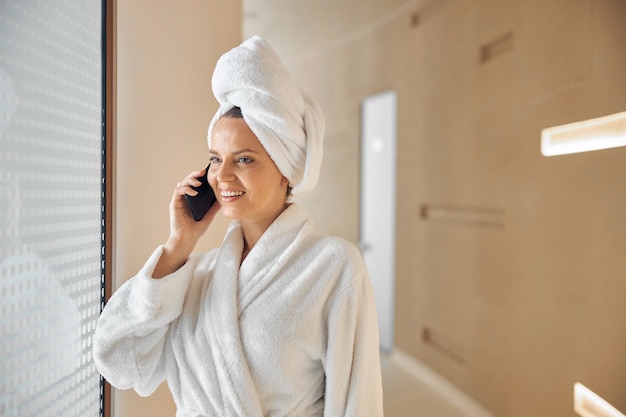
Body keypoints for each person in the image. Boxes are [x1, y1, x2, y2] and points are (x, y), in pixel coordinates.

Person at [93, 36, 383, 417]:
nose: (223, 175)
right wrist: (178, 244)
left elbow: (357, 403)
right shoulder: (194, 277)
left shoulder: (334, 267)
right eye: (215, 158)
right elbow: (118, 361)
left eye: (244, 160)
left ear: (285, 170)